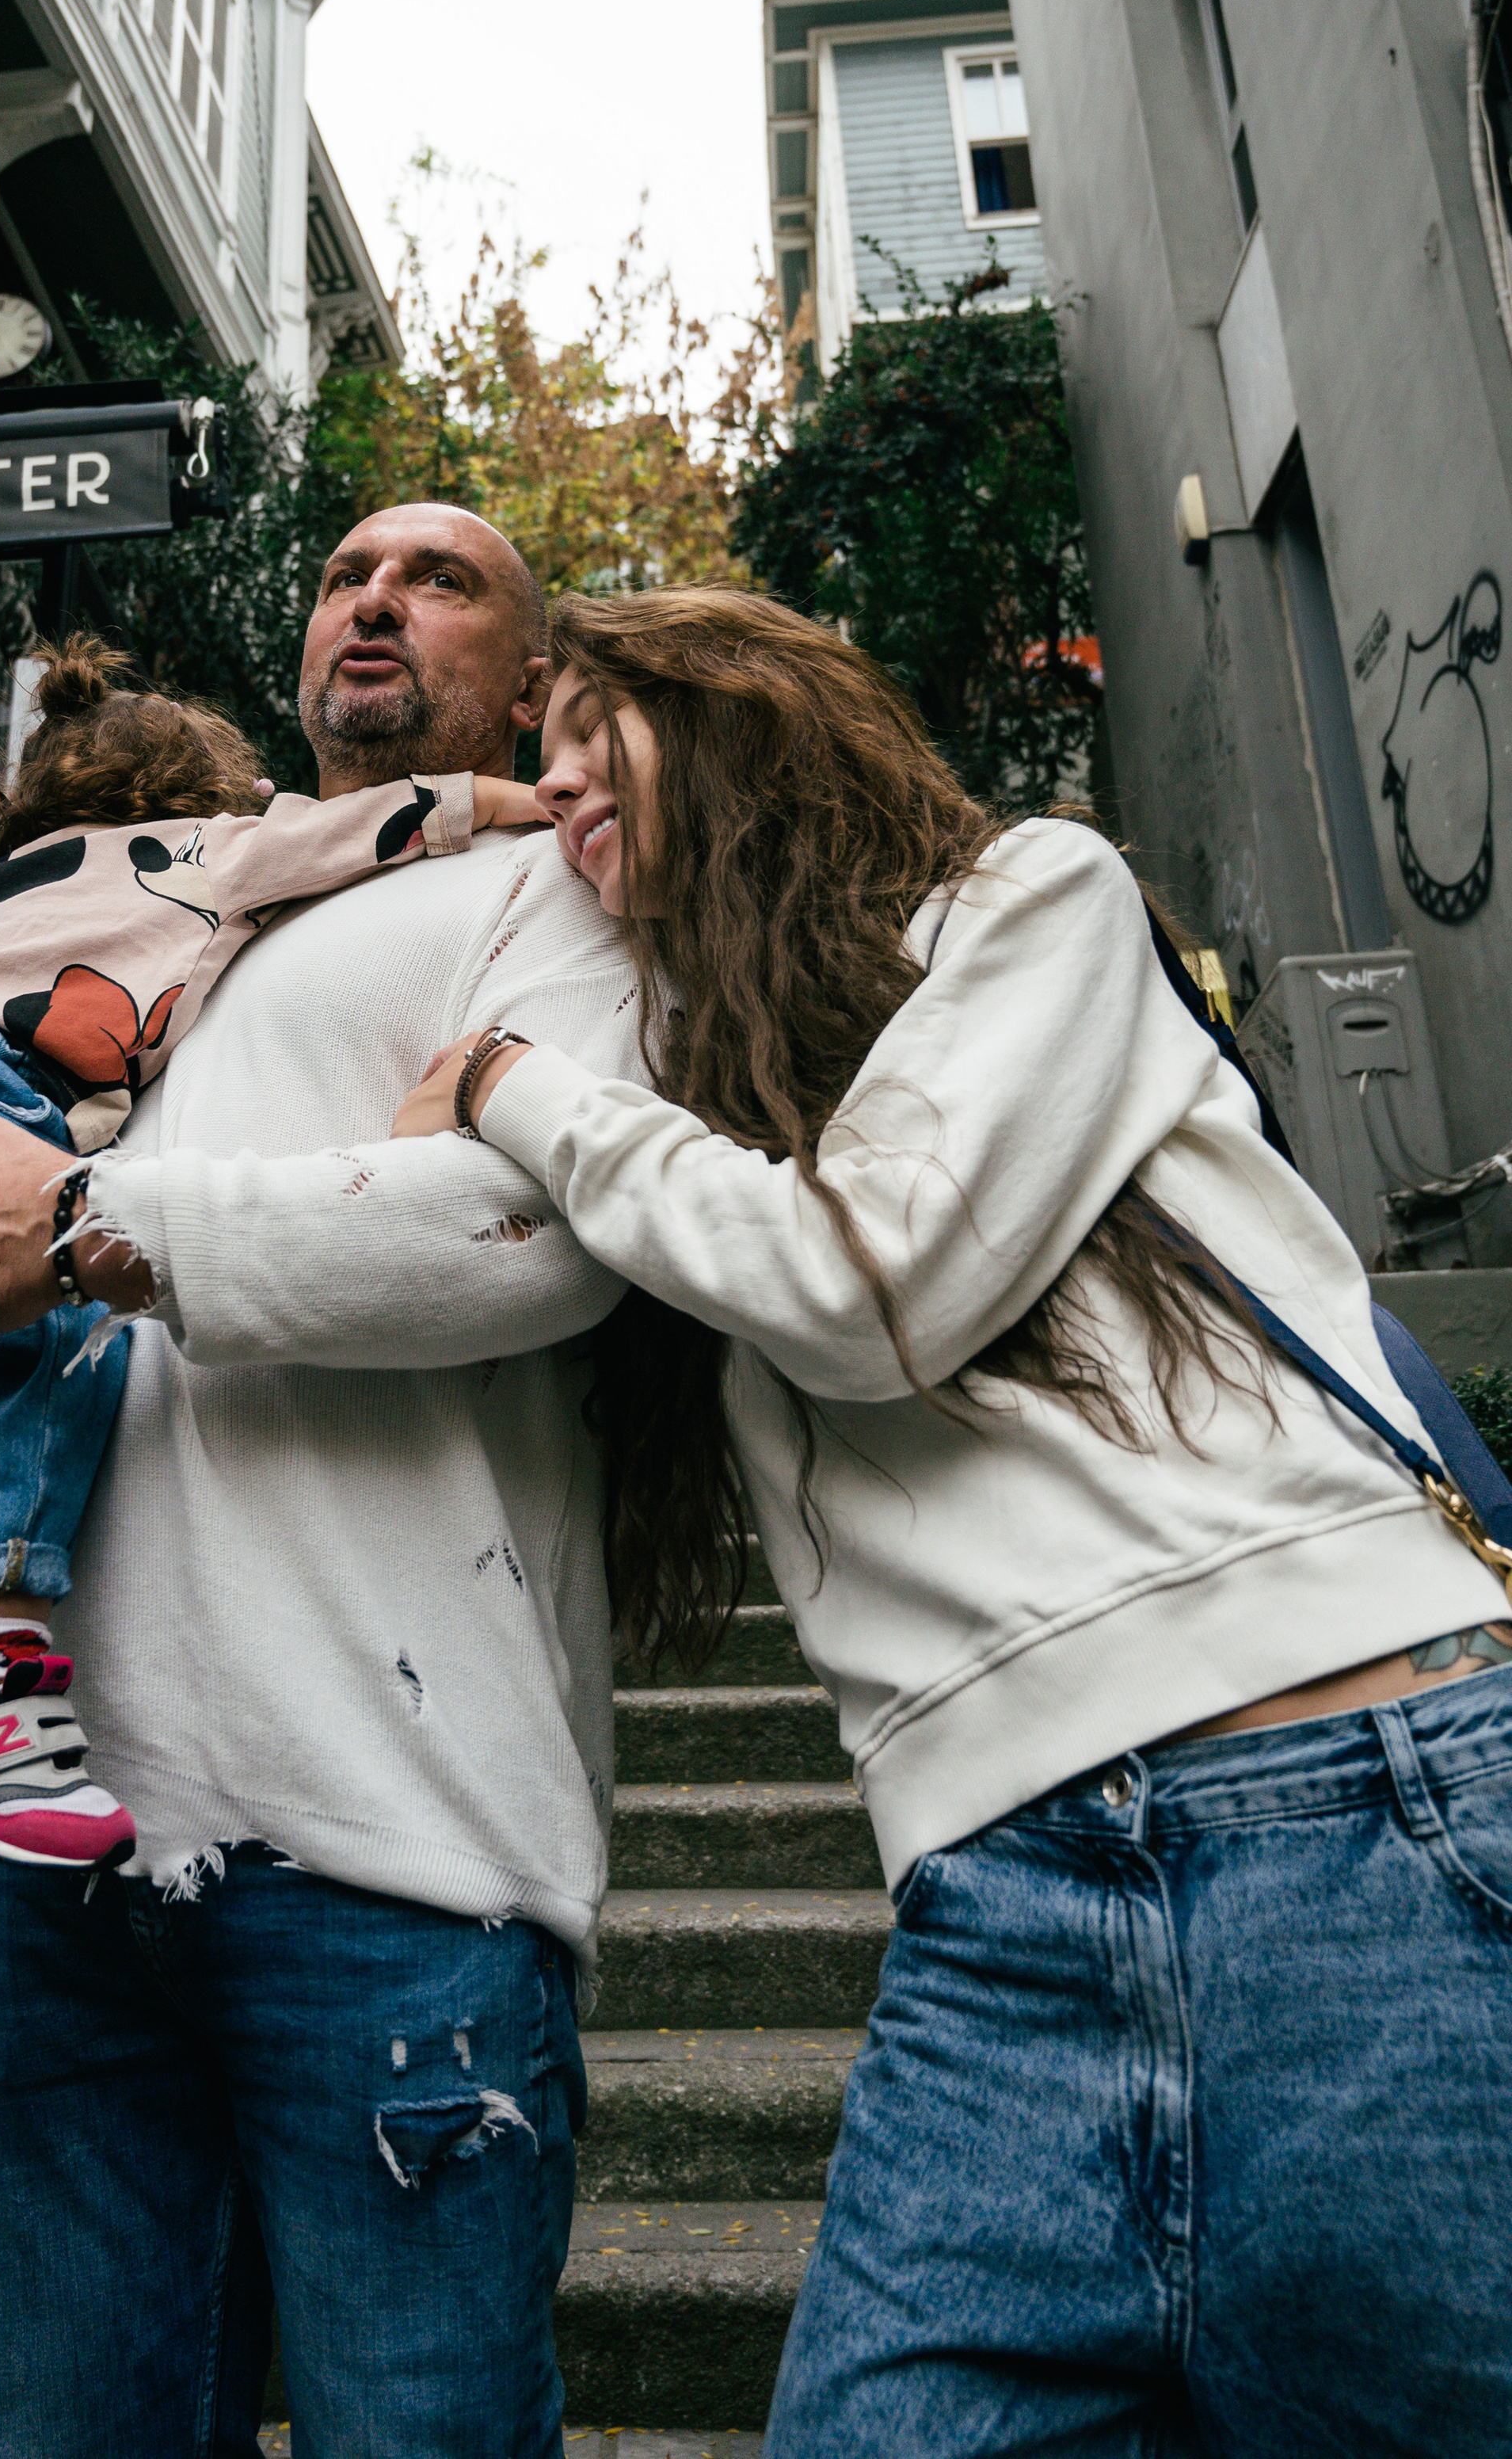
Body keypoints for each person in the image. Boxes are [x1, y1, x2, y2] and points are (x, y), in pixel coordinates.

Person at [396, 584, 1512, 2458]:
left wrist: (513, 1082)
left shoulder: (1026, 905)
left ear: (742, 704)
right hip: (994, 1916)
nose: (559, 771)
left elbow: (866, 1278)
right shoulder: (691, 1101)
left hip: (1354, 1815)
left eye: (599, 720)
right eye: (537, 751)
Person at [0, 506, 647, 2459]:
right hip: (55, 1855)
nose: (377, 599)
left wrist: (73, 1220)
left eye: (442, 580)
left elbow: (522, 1240)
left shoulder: (547, 889)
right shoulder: (176, 913)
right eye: (346, 574)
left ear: (531, 679)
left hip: (391, 1842)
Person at [0, 627, 543, 1877]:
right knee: (59, 1327)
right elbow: (385, 821)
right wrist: (528, 803)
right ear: (208, 802)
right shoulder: (207, 852)